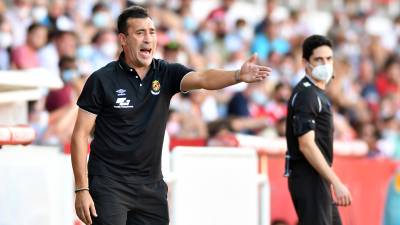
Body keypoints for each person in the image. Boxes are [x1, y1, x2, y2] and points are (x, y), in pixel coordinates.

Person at [71, 6, 271, 225]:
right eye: (140, 33)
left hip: (151, 186)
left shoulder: (165, 72)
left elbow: (203, 78)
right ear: (123, 39)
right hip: (109, 184)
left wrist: (236, 75)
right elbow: (80, 135)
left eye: (152, 32)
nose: (148, 39)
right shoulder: (102, 79)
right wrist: (82, 188)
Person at [284, 35, 352, 225]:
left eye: (329, 59)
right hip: (309, 177)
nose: (325, 64)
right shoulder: (307, 95)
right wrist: (336, 183)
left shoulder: (317, 93)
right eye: (319, 59)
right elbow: (306, 145)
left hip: (318, 178)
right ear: (306, 62)